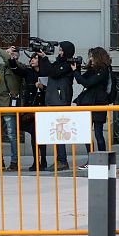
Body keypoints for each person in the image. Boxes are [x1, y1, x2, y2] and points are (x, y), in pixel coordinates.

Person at [38, 41, 77, 171]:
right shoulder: (58, 63)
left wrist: (45, 58)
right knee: (56, 132)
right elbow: (46, 71)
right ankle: (59, 159)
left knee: (60, 132)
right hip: (52, 100)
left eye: (61, 50)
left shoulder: (68, 64)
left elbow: (54, 72)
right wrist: (42, 57)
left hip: (60, 100)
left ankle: (62, 160)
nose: (59, 52)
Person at [72, 47, 112, 170]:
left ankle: (103, 161)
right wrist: (77, 69)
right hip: (89, 104)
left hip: (98, 104)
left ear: (98, 57)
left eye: (92, 57)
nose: (90, 59)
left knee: (98, 134)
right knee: (87, 134)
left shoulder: (104, 70)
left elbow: (87, 83)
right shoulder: (93, 69)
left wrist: (75, 72)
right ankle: (92, 161)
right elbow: (81, 80)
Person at [12, 51, 47, 172]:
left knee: (41, 136)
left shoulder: (45, 72)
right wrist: (12, 58)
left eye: (35, 58)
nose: (32, 60)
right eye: (31, 58)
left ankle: (43, 160)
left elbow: (51, 89)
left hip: (42, 109)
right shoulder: (29, 72)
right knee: (34, 135)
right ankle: (36, 161)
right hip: (30, 109)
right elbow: (16, 69)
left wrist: (43, 88)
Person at [0, 43, 20, 171]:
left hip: (8, 104)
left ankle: (14, 161)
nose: (10, 56)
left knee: (12, 135)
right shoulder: (2, 68)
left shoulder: (17, 67)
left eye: (12, 54)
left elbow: (8, 60)